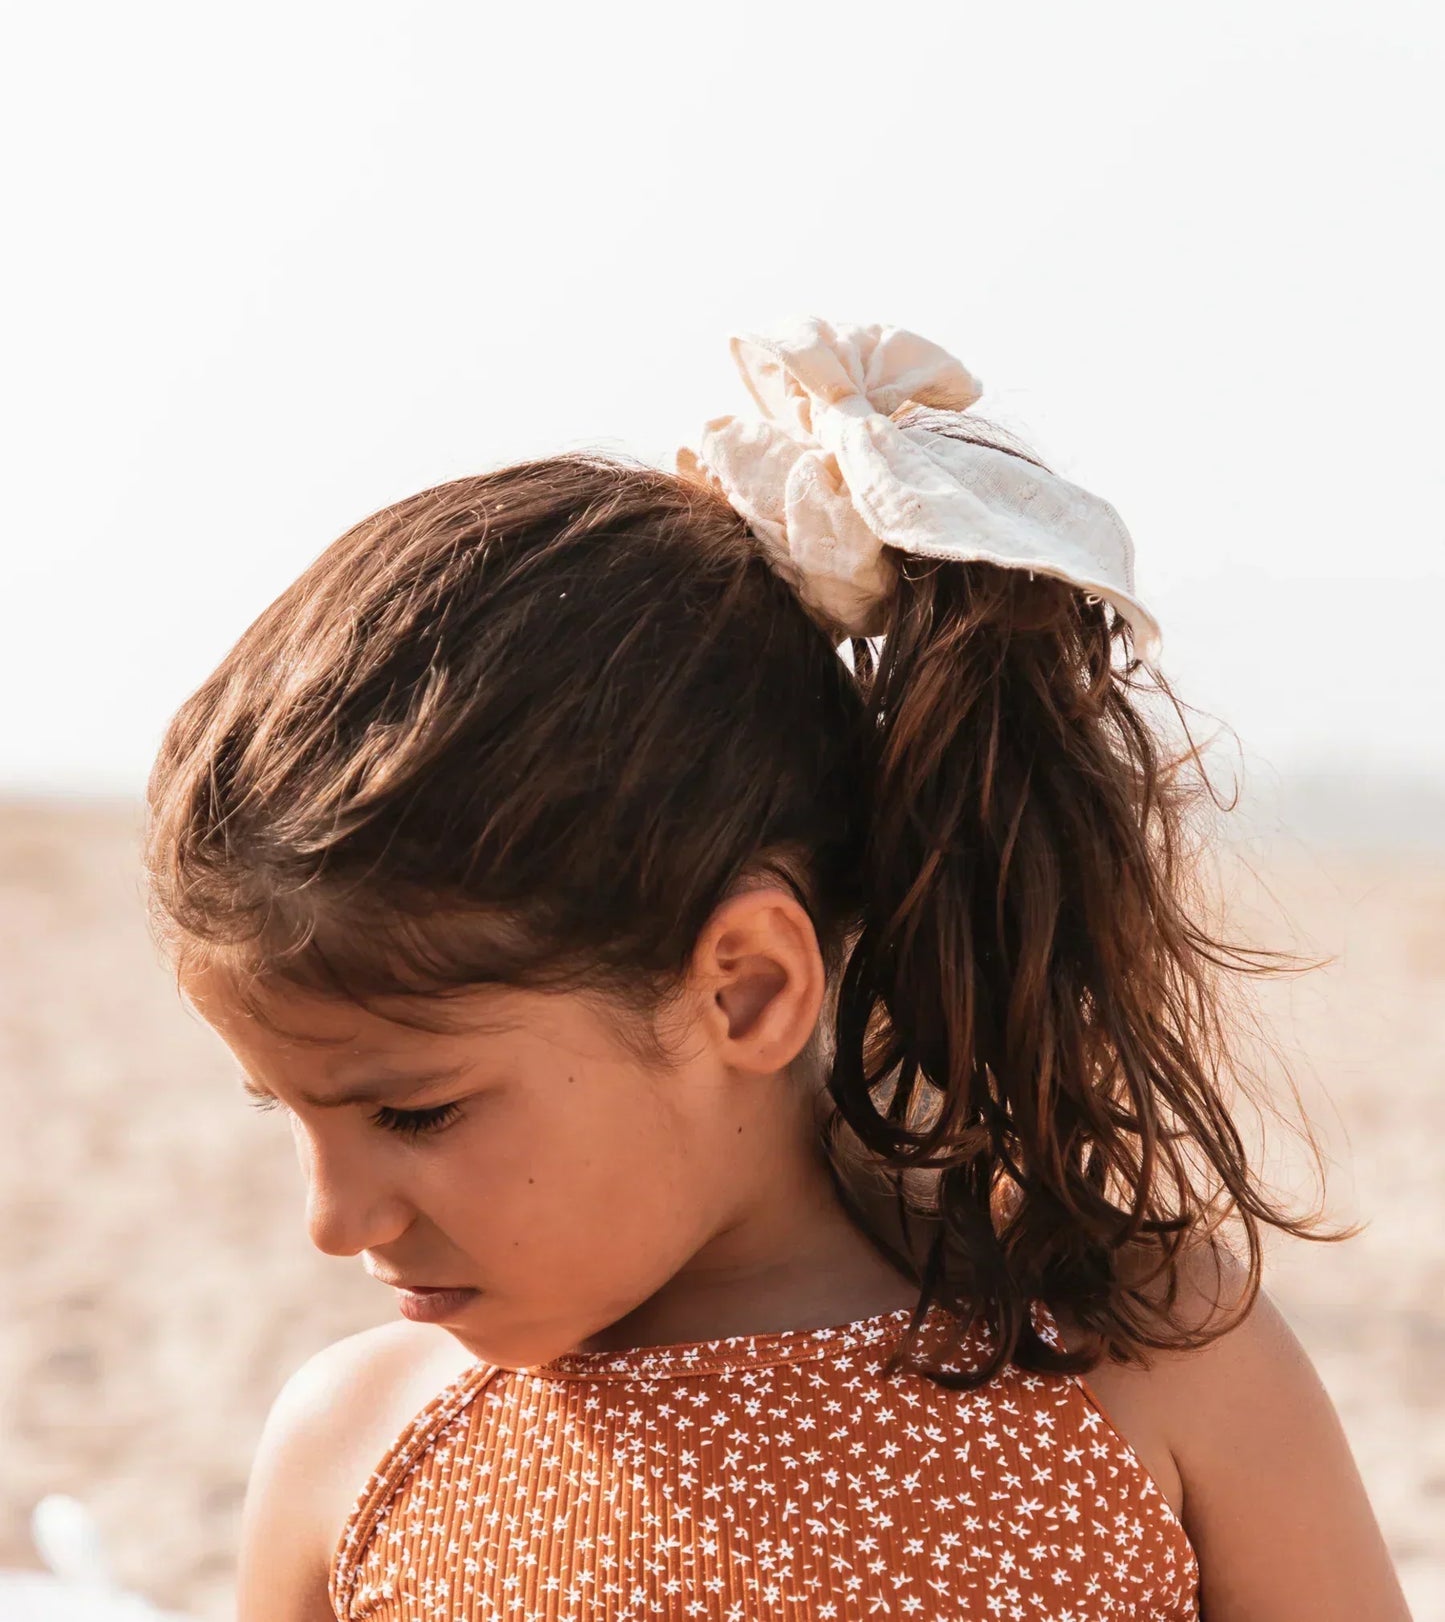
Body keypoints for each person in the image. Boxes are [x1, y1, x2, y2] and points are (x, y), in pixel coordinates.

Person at [143, 316, 1411, 1621]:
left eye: (412, 1109)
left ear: (743, 984)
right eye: (289, 1111)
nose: (334, 1219)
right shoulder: (351, 1452)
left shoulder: (1133, 1364)